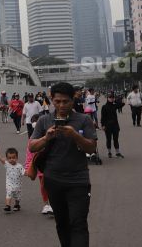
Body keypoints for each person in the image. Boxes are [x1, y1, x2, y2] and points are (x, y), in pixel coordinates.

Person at [29, 82, 97, 247]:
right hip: (53, 180)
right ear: (52, 100)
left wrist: (75, 135)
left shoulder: (83, 120)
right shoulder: (44, 120)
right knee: (62, 224)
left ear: (73, 100)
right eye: (57, 101)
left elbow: (91, 147)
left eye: (65, 101)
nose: (61, 105)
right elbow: (32, 146)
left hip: (78, 180)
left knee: (78, 223)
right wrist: (46, 138)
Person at [24, 114, 53, 215]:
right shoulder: (32, 140)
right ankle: (46, 204)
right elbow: (29, 154)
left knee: (53, 185)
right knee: (43, 185)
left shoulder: (50, 135)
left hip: (52, 165)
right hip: (40, 167)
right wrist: (28, 167)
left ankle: (54, 204)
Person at [0, 148, 25, 213]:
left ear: (17, 157)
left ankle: (17, 205)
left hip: (18, 185)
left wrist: (29, 173)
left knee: (17, 197)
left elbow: (24, 173)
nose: (12, 159)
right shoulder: (7, 164)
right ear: (7, 158)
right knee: (9, 193)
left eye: (14, 157)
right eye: (9, 158)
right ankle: (8, 205)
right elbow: (1, 159)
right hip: (9, 184)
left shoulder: (19, 166)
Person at [101, 93, 124, 159]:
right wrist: (103, 125)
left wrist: (115, 100)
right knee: (108, 139)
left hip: (115, 125)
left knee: (116, 139)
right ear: (107, 98)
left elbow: (122, 104)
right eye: (110, 97)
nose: (111, 99)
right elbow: (103, 117)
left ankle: (117, 153)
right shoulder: (104, 107)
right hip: (107, 126)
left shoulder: (114, 106)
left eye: (112, 98)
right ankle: (109, 152)